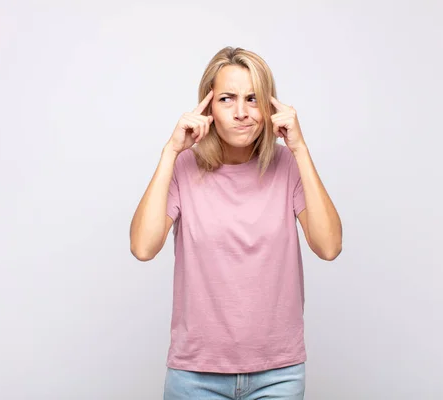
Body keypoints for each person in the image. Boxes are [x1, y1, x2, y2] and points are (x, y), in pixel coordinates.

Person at [129, 46, 342, 400]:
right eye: (227, 99)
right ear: (208, 106)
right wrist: (170, 152)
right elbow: (143, 247)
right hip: (195, 376)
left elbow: (329, 246)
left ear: (270, 108)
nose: (242, 113)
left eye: (253, 99)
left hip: (278, 374)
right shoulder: (184, 168)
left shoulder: (287, 166)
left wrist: (300, 148)